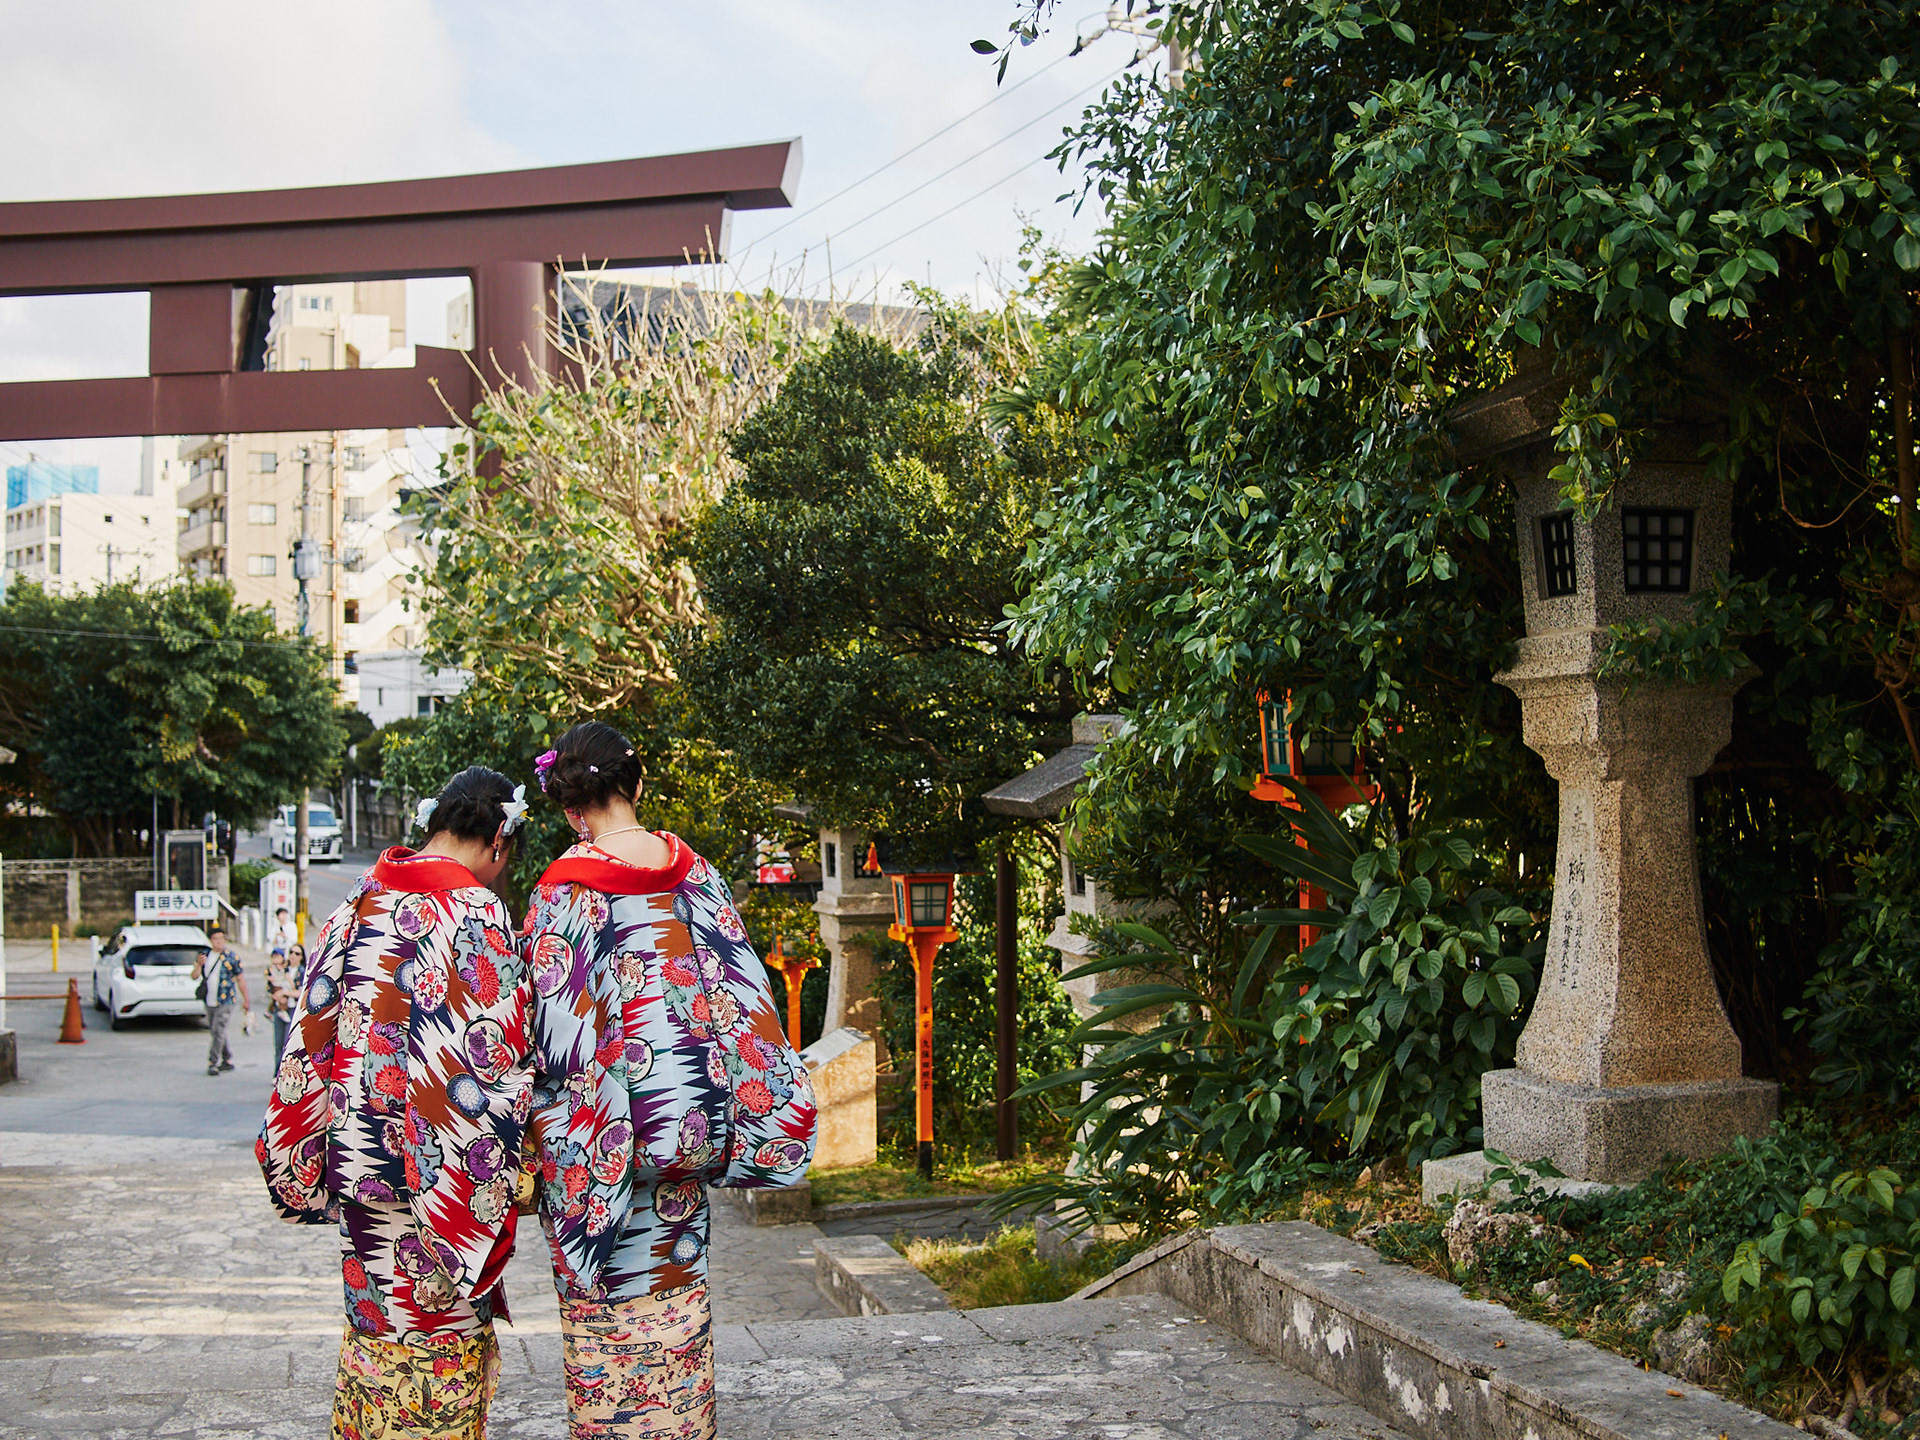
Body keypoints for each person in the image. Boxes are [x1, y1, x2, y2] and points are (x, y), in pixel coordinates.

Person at [522, 722, 817, 1438]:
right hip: (688, 1129)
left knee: (608, 1328)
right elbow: (746, 999)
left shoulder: (563, 890)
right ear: (637, 785)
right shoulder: (697, 873)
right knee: (676, 1306)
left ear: (569, 805)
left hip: (603, 1146)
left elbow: (552, 1035)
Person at [258, 767, 535, 1440]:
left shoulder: (358, 900)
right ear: (499, 839)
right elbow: (495, 1057)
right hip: (447, 1186)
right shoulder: (476, 912)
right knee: (440, 1346)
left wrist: (303, 1145)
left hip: (360, 1166)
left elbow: (310, 1035)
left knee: (377, 1329)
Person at [192, 926, 249, 1077]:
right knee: (217, 1031)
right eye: (216, 939)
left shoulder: (232, 957)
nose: (220, 942)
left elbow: (240, 979)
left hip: (226, 1000)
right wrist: (198, 965)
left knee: (218, 1030)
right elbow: (194, 976)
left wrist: (246, 1000)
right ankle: (228, 1059)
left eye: (222, 939)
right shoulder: (205, 956)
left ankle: (213, 1062)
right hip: (209, 1000)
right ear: (211, 941)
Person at [264, 946, 298, 1066]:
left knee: (287, 1043)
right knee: (278, 1044)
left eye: (297, 954)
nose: (293, 956)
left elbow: (297, 989)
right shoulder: (272, 969)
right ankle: (277, 1071)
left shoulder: (295, 971)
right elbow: (269, 985)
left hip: (292, 1006)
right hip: (277, 999)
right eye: (291, 953)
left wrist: (285, 992)